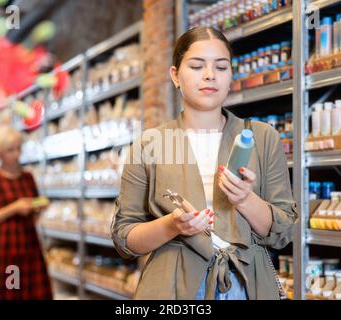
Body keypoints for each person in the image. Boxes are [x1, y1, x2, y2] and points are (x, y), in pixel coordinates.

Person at [111, 27, 298, 300]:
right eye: (197, 66)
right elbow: (124, 239)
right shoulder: (149, 144)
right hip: (173, 288)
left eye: (221, 67)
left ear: (231, 76)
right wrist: (172, 225)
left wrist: (246, 200)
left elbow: (283, 232)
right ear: (175, 75)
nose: (210, 75)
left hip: (248, 287)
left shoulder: (262, 136)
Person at [0, 125, 52, 300]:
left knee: (30, 293)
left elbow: (34, 218)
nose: (16, 154)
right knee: (9, 293)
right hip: (2, 253)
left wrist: (37, 208)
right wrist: (14, 208)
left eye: (18, 148)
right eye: (10, 150)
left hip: (28, 249)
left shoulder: (27, 178)